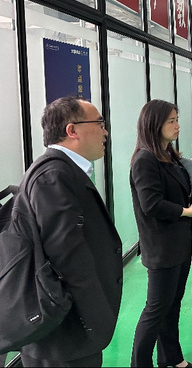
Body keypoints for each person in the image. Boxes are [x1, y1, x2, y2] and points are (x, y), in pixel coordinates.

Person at [19, 96, 122, 368]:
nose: (105, 132)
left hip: (70, 332)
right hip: (64, 336)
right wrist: (94, 318)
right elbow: (66, 258)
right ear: (72, 130)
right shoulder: (54, 175)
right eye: (99, 123)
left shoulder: (62, 171)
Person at [130, 100, 192, 367]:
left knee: (172, 306)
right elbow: (151, 204)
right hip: (162, 247)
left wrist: (191, 194)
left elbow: (168, 194)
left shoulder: (167, 155)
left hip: (179, 242)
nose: (177, 125)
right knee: (156, 310)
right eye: (171, 121)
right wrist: (186, 211)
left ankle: (172, 358)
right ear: (154, 124)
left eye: (177, 119)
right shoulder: (145, 160)